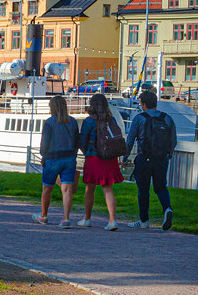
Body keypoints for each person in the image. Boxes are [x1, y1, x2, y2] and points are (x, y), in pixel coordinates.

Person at [124, 89, 176, 230]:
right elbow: (173, 141)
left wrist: (124, 157)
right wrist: (167, 155)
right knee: (161, 187)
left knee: (143, 190)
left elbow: (130, 141)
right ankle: (167, 208)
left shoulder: (140, 118)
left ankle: (144, 220)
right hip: (161, 159)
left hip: (144, 158)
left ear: (144, 104)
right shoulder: (167, 118)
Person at [77, 94, 123, 231]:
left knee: (89, 189)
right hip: (109, 157)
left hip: (93, 157)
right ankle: (112, 220)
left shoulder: (89, 121)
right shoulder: (111, 119)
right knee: (108, 189)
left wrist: (87, 152)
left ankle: (87, 218)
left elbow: (82, 141)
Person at [33, 95, 79, 228]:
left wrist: (44, 155)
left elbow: (45, 143)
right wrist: (74, 154)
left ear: (52, 107)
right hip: (69, 158)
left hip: (52, 158)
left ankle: (44, 215)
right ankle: (66, 219)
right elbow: (77, 141)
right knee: (67, 190)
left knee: (47, 188)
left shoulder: (49, 122)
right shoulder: (73, 122)